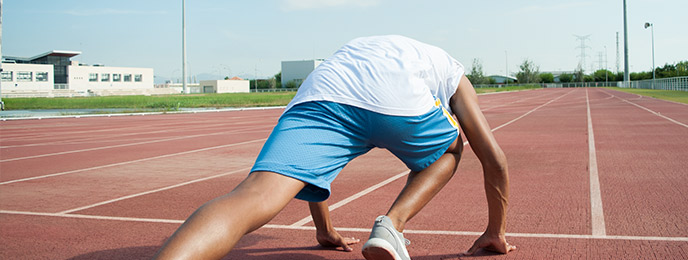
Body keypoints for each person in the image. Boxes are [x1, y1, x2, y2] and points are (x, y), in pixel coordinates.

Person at [153, 35, 515, 260]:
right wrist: (496, 232)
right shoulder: (453, 72)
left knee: (254, 195)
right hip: (400, 96)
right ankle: (391, 226)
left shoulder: (370, 51)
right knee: (451, 149)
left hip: (326, 89)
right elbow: (494, 160)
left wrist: (323, 229)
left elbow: (313, 168)